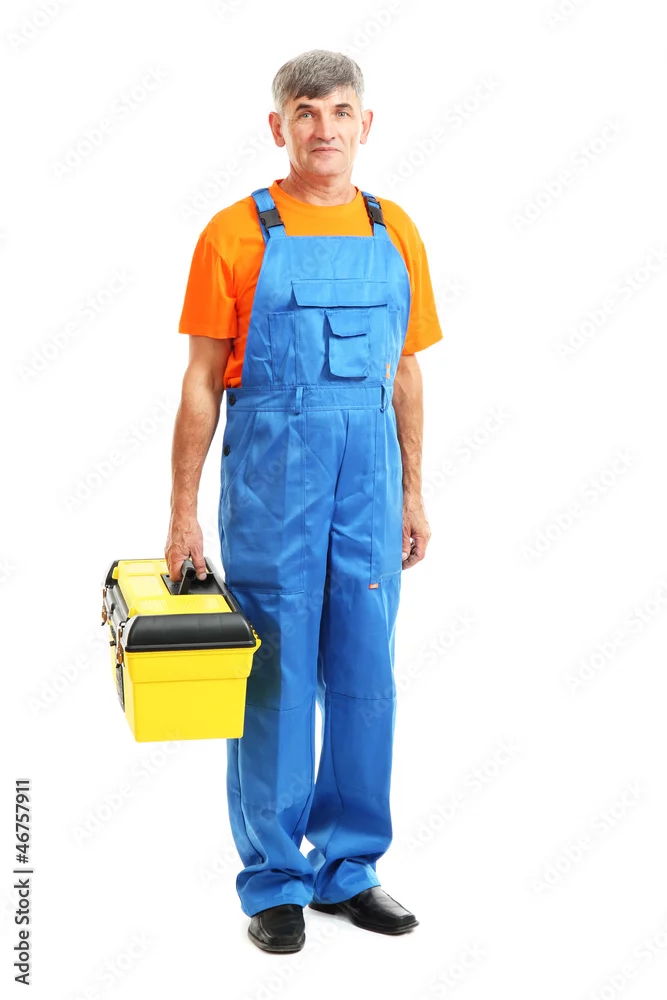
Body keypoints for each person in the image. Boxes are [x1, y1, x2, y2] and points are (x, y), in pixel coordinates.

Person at [167, 49, 443, 953]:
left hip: (368, 484)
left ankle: (349, 868)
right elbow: (201, 383)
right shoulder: (233, 233)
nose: (323, 128)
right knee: (275, 677)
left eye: (339, 111)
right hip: (272, 485)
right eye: (305, 112)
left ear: (366, 124)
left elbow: (404, 370)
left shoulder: (395, 229)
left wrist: (412, 490)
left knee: (366, 674)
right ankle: (276, 878)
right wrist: (181, 512)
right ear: (277, 126)